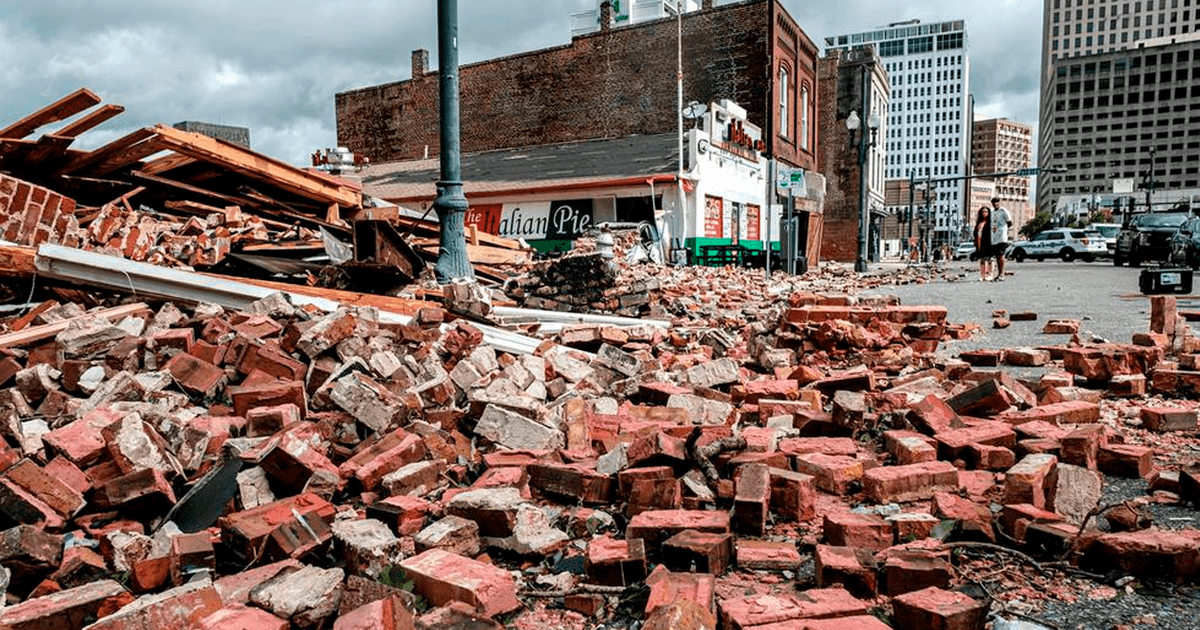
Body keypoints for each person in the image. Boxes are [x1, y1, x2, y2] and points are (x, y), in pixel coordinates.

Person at [989, 197, 1012, 281]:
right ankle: (998, 274)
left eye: (997, 202)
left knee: (1001, 254)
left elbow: (1009, 222)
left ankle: (1002, 274)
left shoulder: (1004, 211)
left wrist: (1003, 230)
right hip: (994, 236)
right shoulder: (991, 212)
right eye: (994, 202)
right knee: (996, 256)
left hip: (1002, 236)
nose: (995, 204)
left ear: (999, 202)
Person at [973, 205, 992, 282]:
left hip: (988, 243)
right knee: (982, 260)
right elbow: (975, 233)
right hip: (979, 242)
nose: (984, 213)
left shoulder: (990, 222)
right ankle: (982, 275)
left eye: (986, 212)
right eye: (983, 212)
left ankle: (989, 275)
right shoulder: (979, 223)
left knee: (989, 259)